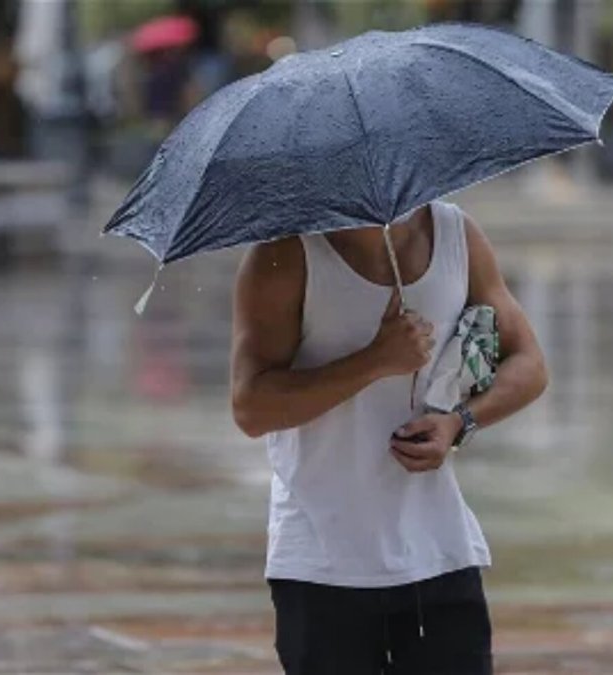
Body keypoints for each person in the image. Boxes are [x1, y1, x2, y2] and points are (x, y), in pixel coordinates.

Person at [231, 201, 548, 674]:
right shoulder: (285, 254)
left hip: (439, 550)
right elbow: (251, 407)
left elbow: (528, 363)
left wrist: (459, 423)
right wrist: (374, 361)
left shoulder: (456, 234)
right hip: (322, 560)